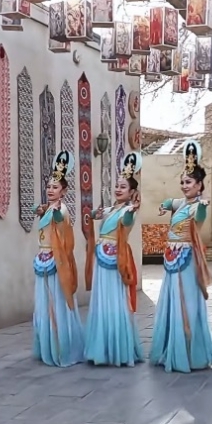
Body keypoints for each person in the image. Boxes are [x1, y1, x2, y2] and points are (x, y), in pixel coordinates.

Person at [150, 140, 212, 372]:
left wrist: (204, 205)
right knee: (172, 300)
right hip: (172, 257)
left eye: (188, 182)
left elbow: (199, 219)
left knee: (186, 300)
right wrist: (164, 206)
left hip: (187, 258)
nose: (184, 186)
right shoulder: (181, 202)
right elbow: (169, 201)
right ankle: (171, 346)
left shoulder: (198, 206)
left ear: (199, 185)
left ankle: (189, 352)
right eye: (182, 182)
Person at [84, 152, 144, 367]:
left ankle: (117, 348)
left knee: (115, 300)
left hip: (116, 259)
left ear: (132, 192)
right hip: (102, 257)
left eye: (123, 187)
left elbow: (127, 221)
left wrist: (131, 209)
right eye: (117, 186)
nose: (118, 189)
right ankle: (102, 347)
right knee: (101, 299)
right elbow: (93, 215)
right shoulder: (111, 209)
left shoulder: (128, 211)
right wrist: (95, 214)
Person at [32, 151, 84, 367]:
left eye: (55, 187)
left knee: (57, 303)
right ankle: (48, 344)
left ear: (64, 191)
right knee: (44, 303)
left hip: (56, 260)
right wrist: (42, 210)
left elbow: (60, 220)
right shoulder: (47, 208)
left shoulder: (61, 209)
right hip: (42, 257)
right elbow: (41, 211)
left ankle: (62, 346)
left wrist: (52, 213)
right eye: (49, 186)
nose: (50, 190)